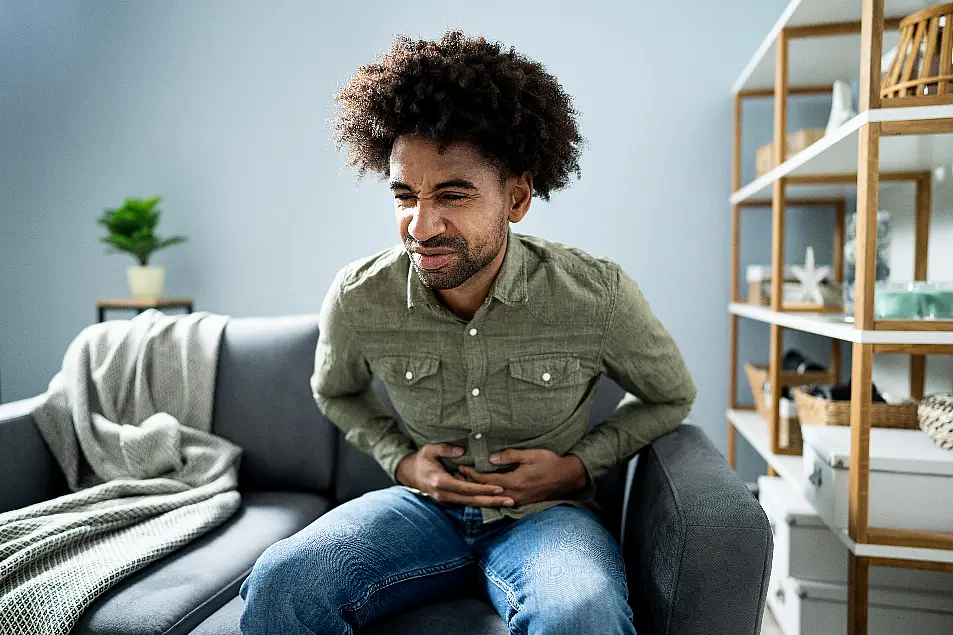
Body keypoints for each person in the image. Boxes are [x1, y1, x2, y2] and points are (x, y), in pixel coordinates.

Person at [239, 29, 696, 635]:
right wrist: (402, 463)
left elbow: (672, 394)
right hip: (421, 511)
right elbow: (334, 391)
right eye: (405, 196)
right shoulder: (359, 295)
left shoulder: (596, 294)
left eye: (452, 195)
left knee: (581, 610)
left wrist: (578, 467)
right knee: (283, 579)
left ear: (518, 198)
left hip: (546, 517)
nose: (421, 225)